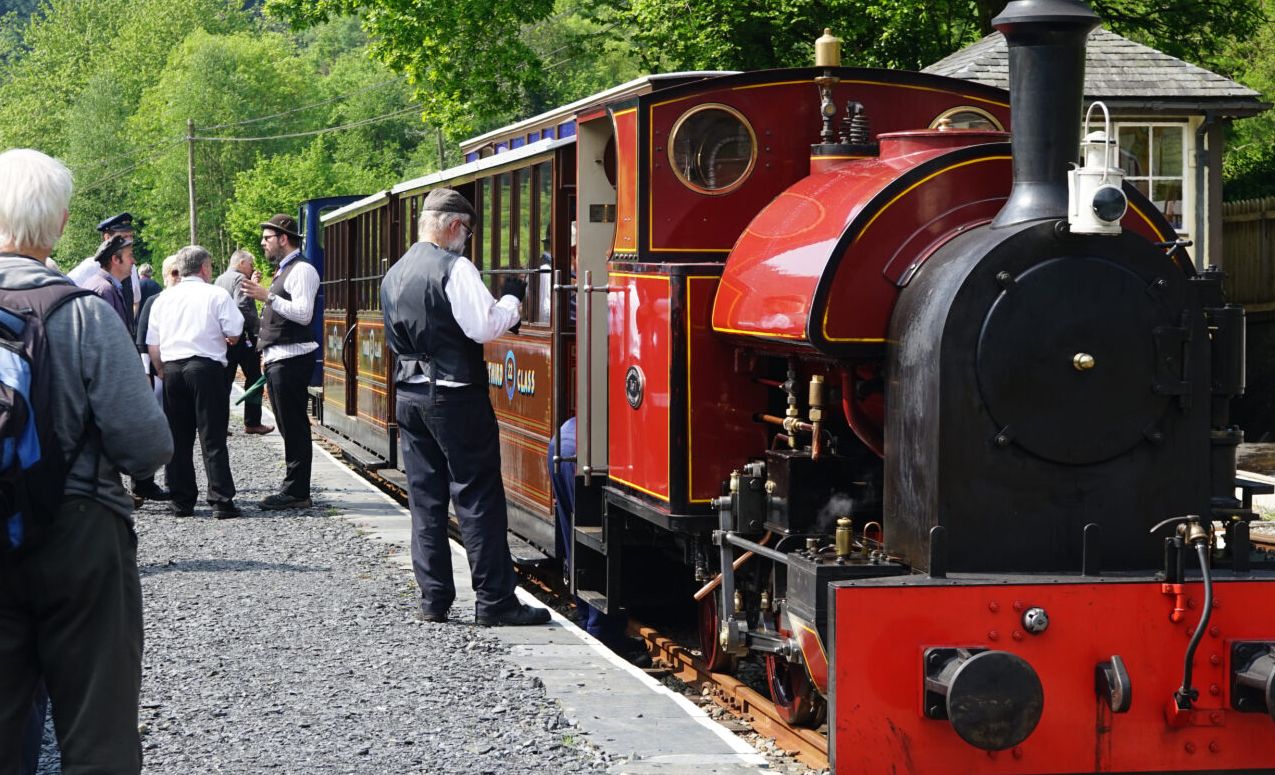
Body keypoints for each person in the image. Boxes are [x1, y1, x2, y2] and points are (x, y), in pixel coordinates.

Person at [0, 147, 173, 774]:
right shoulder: (85, 315)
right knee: (97, 734)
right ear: (63, 224)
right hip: (80, 534)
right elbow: (146, 446)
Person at [381, 188, 548, 627]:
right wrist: (512, 298)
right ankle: (495, 602)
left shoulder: (394, 274)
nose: (467, 240)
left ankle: (433, 601)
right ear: (454, 225)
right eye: (467, 231)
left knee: (426, 500)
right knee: (477, 497)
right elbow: (483, 326)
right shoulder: (455, 268)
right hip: (454, 396)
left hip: (409, 396)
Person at [145, 245, 244, 519]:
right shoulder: (216, 294)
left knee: (178, 437)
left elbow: (153, 343)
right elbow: (235, 330)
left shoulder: (162, 299)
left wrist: (161, 370)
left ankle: (181, 501)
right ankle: (221, 500)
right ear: (205, 268)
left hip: (173, 369)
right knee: (212, 436)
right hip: (205, 368)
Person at [240, 215, 315, 510]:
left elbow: (303, 314)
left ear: (284, 239)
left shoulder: (302, 270)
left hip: (292, 358)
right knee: (287, 424)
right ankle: (294, 487)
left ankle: (297, 491)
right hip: (280, 357)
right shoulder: (285, 270)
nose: (263, 243)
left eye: (267, 238)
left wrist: (267, 296)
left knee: (294, 425)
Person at [216, 249, 272, 435]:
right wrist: (258, 328)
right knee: (255, 378)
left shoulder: (220, 279)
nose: (252, 267)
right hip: (243, 337)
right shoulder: (240, 279)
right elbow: (243, 307)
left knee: (224, 381)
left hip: (224, 338)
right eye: (250, 264)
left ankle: (220, 425)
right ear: (241, 263)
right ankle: (252, 422)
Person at [68, 212, 142, 326]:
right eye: (124, 237)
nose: (130, 241)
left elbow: (135, 301)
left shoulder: (131, 267)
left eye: (131, 236)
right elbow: (66, 292)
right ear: (107, 238)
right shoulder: (91, 266)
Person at [78, 233, 134, 330]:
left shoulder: (106, 286)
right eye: (130, 256)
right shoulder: (104, 290)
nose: (134, 261)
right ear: (115, 259)